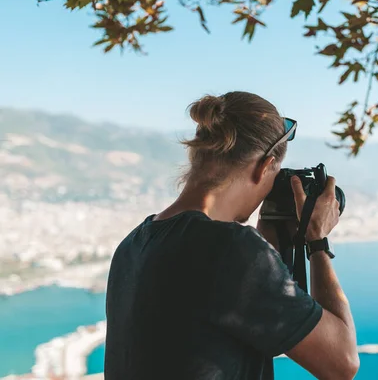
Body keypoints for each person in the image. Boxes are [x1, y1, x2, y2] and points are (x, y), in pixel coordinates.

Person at [104, 91, 359, 380]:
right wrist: (317, 241)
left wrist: (271, 236)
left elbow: (257, 322)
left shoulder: (134, 244)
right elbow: (342, 363)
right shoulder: (231, 248)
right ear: (264, 168)